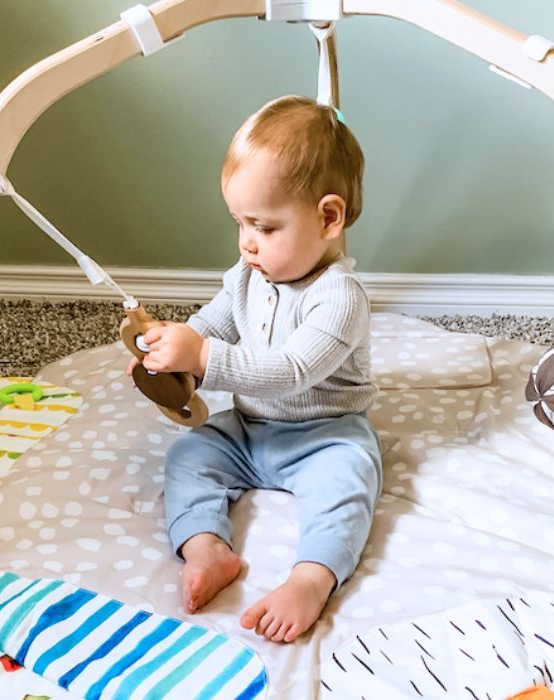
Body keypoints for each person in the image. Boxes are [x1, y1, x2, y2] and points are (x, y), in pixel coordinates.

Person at [128, 95, 381, 643]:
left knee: (348, 487)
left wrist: (204, 360)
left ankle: (311, 579)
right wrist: (179, 352)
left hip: (326, 434)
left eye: (264, 227)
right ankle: (206, 548)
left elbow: (292, 370)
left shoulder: (340, 297)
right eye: (239, 223)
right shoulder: (247, 274)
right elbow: (212, 324)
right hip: (250, 428)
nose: (247, 242)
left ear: (328, 218)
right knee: (189, 456)